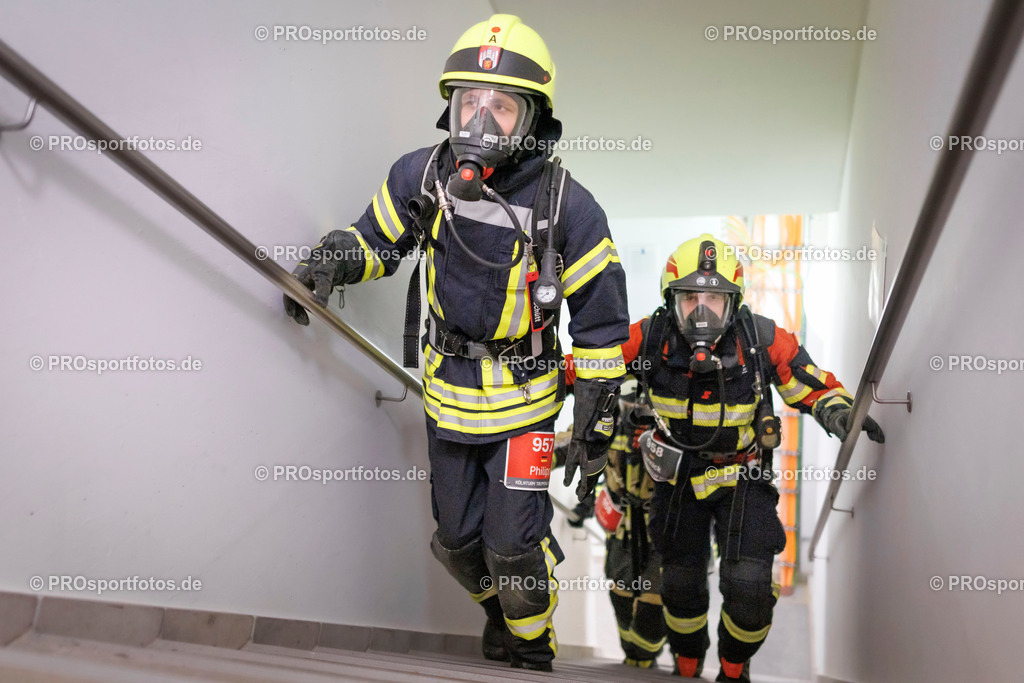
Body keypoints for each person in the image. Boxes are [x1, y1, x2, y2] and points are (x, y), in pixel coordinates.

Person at [283, 14, 629, 672]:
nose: (481, 120)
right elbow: (377, 238)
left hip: (526, 403)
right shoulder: (423, 176)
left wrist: (597, 404)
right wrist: (334, 260)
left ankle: (532, 641)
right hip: (448, 394)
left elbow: (601, 316)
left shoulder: (570, 208)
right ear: (450, 106)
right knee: (459, 541)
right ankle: (501, 614)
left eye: (502, 106)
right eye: (471, 101)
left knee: (513, 544)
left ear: (534, 120)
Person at [623, 234, 884, 681]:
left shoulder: (761, 340)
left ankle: (732, 669)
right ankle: (686, 668)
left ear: (734, 302)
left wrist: (839, 413)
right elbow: (591, 366)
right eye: (690, 298)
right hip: (678, 479)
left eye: (714, 298)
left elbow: (811, 382)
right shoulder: (649, 339)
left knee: (748, 588)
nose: (701, 311)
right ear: (671, 300)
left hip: (742, 476)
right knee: (680, 586)